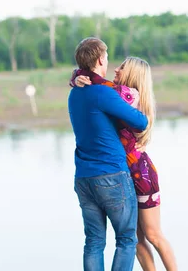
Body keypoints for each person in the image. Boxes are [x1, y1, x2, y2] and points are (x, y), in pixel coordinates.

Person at [71, 56, 178, 271]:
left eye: (122, 67)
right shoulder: (112, 93)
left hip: (140, 175)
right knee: (136, 241)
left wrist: (78, 78)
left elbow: (100, 89)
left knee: (153, 234)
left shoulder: (126, 95)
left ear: (132, 75)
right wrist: (78, 77)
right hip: (122, 176)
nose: (116, 69)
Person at [68, 38, 149, 271]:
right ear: (101, 59)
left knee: (94, 242)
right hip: (111, 175)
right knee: (126, 239)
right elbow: (140, 122)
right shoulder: (103, 93)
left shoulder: (75, 93)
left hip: (84, 178)